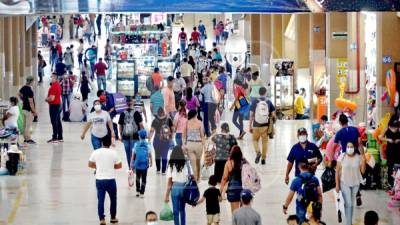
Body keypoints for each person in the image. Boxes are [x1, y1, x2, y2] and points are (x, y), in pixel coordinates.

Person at [88, 137, 122, 225]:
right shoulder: (114, 153)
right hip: (111, 180)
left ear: (102, 143)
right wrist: (111, 166)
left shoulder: (96, 152)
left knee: (101, 199)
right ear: (110, 143)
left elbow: (90, 164)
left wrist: (98, 167)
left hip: (99, 180)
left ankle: (102, 219)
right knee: (113, 199)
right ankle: (113, 218)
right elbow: (119, 166)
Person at [283, 159, 323, 224]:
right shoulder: (314, 178)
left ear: (299, 167)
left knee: (301, 222)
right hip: (313, 207)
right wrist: (319, 207)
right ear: (308, 166)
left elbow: (290, 197)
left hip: (301, 207)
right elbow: (320, 195)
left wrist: (285, 206)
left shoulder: (296, 180)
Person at [335, 142, 366, 225]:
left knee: (351, 204)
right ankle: (348, 223)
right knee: (348, 202)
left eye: (351, 146)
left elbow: (362, 171)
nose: (349, 148)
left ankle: (349, 221)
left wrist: (363, 157)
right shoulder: (342, 156)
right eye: (348, 146)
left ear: (354, 148)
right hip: (344, 182)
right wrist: (337, 185)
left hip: (355, 183)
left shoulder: (358, 157)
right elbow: (337, 172)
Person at [164, 145, 192, 225]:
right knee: (182, 209)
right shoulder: (186, 163)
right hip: (184, 188)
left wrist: (166, 195)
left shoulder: (171, 165)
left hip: (175, 188)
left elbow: (170, 182)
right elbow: (191, 176)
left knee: (175, 210)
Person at [249, 87, 276, 165]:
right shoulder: (269, 102)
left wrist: (249, 126)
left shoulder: (255, 102)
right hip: (265, 126)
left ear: (259, 93)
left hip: (256, 125)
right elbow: (273, 115)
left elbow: (251, 115)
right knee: (265, 142)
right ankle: (263, 159)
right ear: (265, 92)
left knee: (255, 140)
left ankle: (258, 152)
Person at [118, 97, 144, 166]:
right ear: (132, 103)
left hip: (125, 136)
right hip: (135, 136)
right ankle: (133, 167)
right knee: (134, 152)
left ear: (126, 103)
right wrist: (142, 136)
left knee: (128, 153)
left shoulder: (122, 113)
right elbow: (141, 125)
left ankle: (130, 167)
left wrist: (120, 135)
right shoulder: (137, 113)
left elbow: (120, 125)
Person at [149, 108, 174, 174]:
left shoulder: (155, 120)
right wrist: (171, 137)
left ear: (158, 113)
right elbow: (173, 129)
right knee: (164, 155)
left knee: (157, 155)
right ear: (163, 112)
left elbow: (151, 131)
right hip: (166, 139)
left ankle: (158, 170)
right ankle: (163, 171)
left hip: (157, 139)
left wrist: (149, 139)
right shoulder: (168, 119)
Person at [220, 145, 244, 212]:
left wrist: (220, 191)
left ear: (231, 153)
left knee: (234, 212)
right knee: (242, 212)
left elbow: (224, 178)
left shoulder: (228, 163)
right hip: (243, 188)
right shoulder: (243, 162)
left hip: (232, 190)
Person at [183, 109, 205, 181]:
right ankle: (198, 178)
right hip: (198, 144)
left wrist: (184, 145)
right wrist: (204, 146)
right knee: (198, 162)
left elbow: (184, 136)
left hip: (190, 144)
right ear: (196, 115)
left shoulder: (186, 123)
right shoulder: (200, 123)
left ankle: (195, 182)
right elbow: (202, 135)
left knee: (193, 165)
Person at [379, 116, 400, 186]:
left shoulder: (399, 128)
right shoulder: (387, 128)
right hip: (390, 149)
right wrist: (388, 139)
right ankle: (390, 182)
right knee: (390, 165)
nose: (395, 127)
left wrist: (398, 140)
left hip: (398, 149)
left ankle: (397, 181)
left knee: (397, 165)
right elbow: (380, 137)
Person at [130, 129, 152, 198]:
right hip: (145, 165)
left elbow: (133, 155)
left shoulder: (136, 144)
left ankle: (137, 191)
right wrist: (151, 162)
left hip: (137, 164)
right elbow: (150, 154)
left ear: (139, 136)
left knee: (137, 177)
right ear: (145, 137)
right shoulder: (148, 144)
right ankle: (142, 193)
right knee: (144, 179)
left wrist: (131, 163)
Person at [19, 76, 37, 144]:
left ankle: (25, 138)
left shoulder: (23, 87)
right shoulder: (30, 90)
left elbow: (19, 94)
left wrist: (23, 99)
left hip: (24, 108)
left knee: (24, 125)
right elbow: (31, 102)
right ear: (31, 81)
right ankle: (28, 139)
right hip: (29, 110)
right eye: (33, 81)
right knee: (28, 125)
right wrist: (34, 111)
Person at [46, 74, 63, 143]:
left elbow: (52, 98)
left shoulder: (54, 86)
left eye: (52, 77)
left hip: (54, 105)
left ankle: (55, 137)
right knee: (58, 121)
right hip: (58, 104)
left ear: (55, 78)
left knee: (54, 121)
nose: (51, 78)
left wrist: (46, 99)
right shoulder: (58, 85)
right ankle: (60, 137)